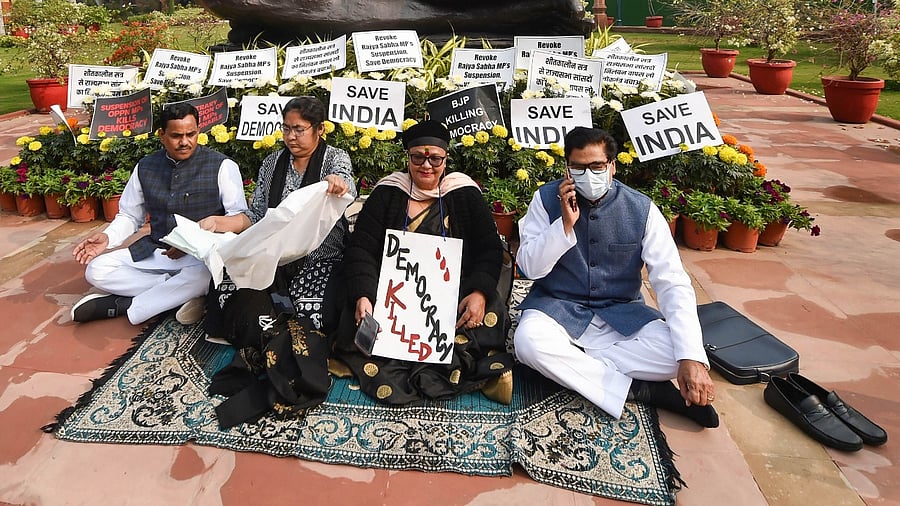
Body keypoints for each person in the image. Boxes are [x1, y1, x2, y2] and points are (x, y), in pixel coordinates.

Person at [513, 127, 719, 428]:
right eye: (579, 168)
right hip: (557, 309)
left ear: (612, 166)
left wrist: (691, 358)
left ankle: (570, 366)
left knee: (677, 352)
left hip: (621, 314)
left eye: (596, 166)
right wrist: (564, 227)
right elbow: (529, 268)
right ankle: (641, 389)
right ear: (567, 168)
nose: (588, 175)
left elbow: (672, 281)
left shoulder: (641, 209)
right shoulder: (544, 200)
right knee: (528, 343)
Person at [330, 119, 514, 405]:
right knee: (352, 298)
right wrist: (364, 295)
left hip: (448, 294)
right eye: (418, 157)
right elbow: (362, 248)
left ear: (446, 159)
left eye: (435, 158)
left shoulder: (463, 192)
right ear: (408, 158)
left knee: (488, 306)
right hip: (395, 294)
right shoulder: (388, 192)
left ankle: (481, 370)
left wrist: (477, 293)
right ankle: (471, 374)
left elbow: (488, 250)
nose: (427, 165)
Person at [199, 96, 355, 427]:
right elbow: (256, 216)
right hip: (275, 256)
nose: (291, 136)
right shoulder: (272, 164)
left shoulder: (333, 159)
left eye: (299, 129)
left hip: (320, 256)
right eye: (286, 129)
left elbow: (345, 182)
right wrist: (220, 223)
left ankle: (281, 337)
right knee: (232, 284)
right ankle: (268, 334)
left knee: (320, 312)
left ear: (319, 129)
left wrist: (335, 183)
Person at [71, 103, 248, 326]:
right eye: (176, 136)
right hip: (156, 250)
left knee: (206, 276)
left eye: (191, 134)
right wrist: (108, 238)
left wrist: (193, 242)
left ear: (198, 131)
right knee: (97, 270)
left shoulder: (222, 166)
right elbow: (129, 216)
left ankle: (127, 306)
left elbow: (238, 219)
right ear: (161, 135)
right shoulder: (146, 166)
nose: (185, 142)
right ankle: (175, 294)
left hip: (199, 259)